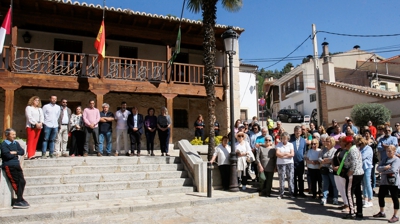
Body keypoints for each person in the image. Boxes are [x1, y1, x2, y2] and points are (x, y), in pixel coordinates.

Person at [1, 128, 30, 209]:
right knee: (15, 182)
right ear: (7, 135)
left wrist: (14, 152)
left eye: (14, 134)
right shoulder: (4, 144)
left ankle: (20, 198)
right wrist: (15, 153)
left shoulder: (16, 143)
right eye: (12, 134)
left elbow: (22, 151)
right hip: (9, 165)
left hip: (16, 164)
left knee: (22, 181)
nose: (14, 136)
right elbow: (6, 155)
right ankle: (19, 200)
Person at [373, 145, 400, 223]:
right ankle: (382, 211)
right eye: (387, 151)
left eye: (390, 151)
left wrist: (382, 171)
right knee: (381, 196)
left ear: (394, 151)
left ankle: (395, 215)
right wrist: (385, 168)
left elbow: (393, 170)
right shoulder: (384, 159)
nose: (388, 153)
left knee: (394, 197)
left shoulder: (397, 160)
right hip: (384, 181)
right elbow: (378, 168)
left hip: (393, 182)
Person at [341, 136, 364, 220]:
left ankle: (352, 212)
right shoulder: (355, 149)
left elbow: (354, 162)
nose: (344, 145)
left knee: (349, 193)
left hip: (354, 174)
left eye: (345, 143)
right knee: (358, 193)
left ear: (349, 144)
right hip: (359, 173)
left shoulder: (352, 150)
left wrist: (351, 171)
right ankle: (359, 212)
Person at [332, 136, 350, 212]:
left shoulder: (347, 151)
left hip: (343, 172)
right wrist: (333, 166)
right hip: (336, 172)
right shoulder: (338, 149)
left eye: (341, 141)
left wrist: (339, 167)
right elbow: (333, 158)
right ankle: (345, 203)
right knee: (340, 188)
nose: (340, 143)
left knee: (345, 188)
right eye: (339, 141)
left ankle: (349, 205)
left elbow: (347, 162)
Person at [319, 136, 338, 205]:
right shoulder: (323, 149)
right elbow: (319, 157)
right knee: (325, 184)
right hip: (324, 169)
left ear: (332, 142)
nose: (327, 142)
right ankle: (324, 197)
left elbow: (332, 159)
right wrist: (322, 161)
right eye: (326, 141)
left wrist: (326, 160)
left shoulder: (335, 150)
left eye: (328, 141)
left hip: (331, 170)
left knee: (334, 184)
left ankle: (335, 198)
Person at [356, 135, 374, 208]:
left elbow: (362, 157)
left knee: (367, 183)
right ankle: (365, 198)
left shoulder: (368, 148)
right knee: (363, 184)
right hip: (361, 168)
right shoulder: (360, 148)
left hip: (367, 167)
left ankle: (370, 200)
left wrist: (357, 155)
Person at [276, 132, 295, 199]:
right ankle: (281, 193)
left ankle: (291, 193)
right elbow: (278, 154)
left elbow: (292, 154)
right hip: (280, 164)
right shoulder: (279, 144)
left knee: (290, 178)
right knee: (281, 179)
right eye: (283, 138)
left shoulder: (290, 145)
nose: (284, 139)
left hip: (289, 163)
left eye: (286, 138)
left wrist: (282, 154)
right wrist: (286, 154)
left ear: (288, 138)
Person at [290, 126, 307, 197]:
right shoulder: (291, 140)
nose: (298, 133)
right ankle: (295, 192)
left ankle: (301, 192)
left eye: (299, 131)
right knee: (293, 178)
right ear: (294, 132)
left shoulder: (303, 140)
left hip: (300, 161)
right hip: (292, 161)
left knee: (300, 177)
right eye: (296, 131)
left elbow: (304, 150)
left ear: (301, 132)